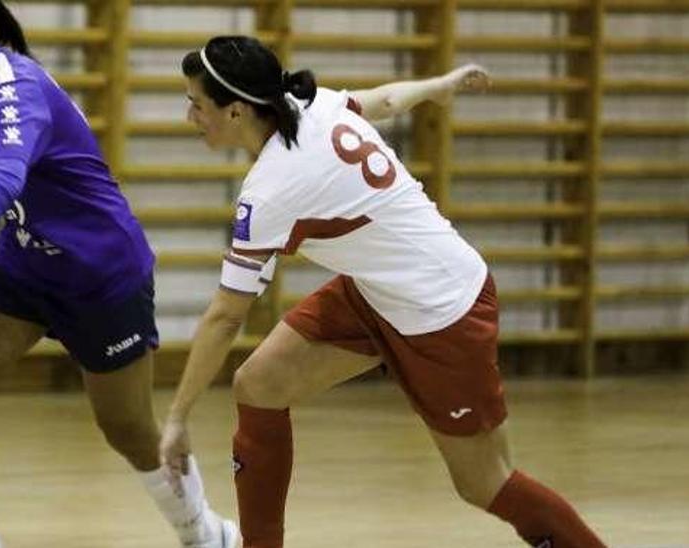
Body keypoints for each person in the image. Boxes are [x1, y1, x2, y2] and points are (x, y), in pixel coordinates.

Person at [159, 35, 607, 548]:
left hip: (443, 309)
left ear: (236, 111)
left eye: (196, 104)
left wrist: (176, 419)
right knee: (259, 383)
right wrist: (438, 86)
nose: (188, 115)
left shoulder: (272, 190)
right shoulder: (309, 104)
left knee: (485, 483)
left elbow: (224, 317)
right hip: (378, 293)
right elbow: (387, 101)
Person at [0, 2, 239, 547]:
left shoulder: (14, 87)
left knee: (129, 431)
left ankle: (208, 535)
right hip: (27, 266)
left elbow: (3, 176)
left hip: (100, 272)